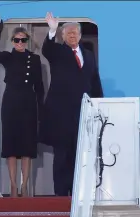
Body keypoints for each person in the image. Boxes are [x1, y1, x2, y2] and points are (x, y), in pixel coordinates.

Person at [39, 12, 104, 196]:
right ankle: (60, 195)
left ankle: (77, 192)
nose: (72, 35)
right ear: (63, 36)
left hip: (82, 116)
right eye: (68, 33)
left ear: (80, 36)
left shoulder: (89, 55)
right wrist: (52, 30)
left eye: (75, 33)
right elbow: (46, 50)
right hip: (61, 115)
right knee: (61, 156)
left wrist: (99, 103)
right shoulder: (57, 52)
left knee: (79, 155)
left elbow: (94, 81)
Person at [0, 14, 44, 197]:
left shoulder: (35, 59)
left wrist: (41, 110)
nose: (20, 42)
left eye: (23, 40)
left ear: (27, 41)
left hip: (28, 102)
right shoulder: (8, 57)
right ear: (13, 41)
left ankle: (24, 185)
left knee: (27, 147)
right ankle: (13, 185)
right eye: (17, 40)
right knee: (12, 147)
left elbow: (40, 87)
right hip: (11, 101)